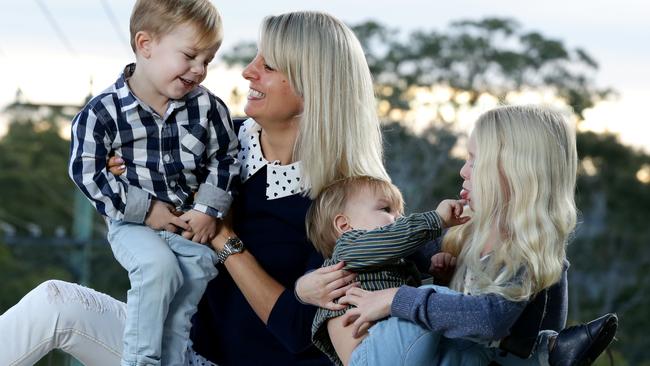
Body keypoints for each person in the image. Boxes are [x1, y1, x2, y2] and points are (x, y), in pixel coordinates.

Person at [0, 10, 386, 366]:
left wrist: (225, 239)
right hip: (177, 345)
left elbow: (300, 330)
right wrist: (116, 166)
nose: (248, 72)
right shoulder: (217, 140)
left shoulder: (350, 202)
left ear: (311, 87)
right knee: (57, 304)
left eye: (267, 65)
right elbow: (132, 181)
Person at [327, 105, 618, 366]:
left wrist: (396, 298)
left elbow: (491, 322)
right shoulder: (461, 235)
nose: (464, 171)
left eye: (475, 161)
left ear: (517, 173)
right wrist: (310, 285)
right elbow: (382, 241)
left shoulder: (528, 256)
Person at [67, 1, 239, 365]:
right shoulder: (103, 113)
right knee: (158, 269)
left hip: (187, 229)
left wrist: (208, 210)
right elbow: (86, 171)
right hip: (133, 225)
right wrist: (146, 211)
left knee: (195, 275)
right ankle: (140, 361)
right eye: (191, 56)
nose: (199, 70)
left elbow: (225, 157)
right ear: (146, 45)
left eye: (208, 60)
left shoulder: (208, 109)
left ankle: (173, 361)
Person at [305, 176, 468, 365]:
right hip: (370, 352)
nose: (400, 218)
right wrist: (436, 219)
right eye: (386, 209)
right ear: (345, 226)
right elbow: (392, 239)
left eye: (401, 212)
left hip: (398, 350)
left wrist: (441, 277)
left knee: (467, 346)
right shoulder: (348, 248)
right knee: (430, 299)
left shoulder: (396, 264)